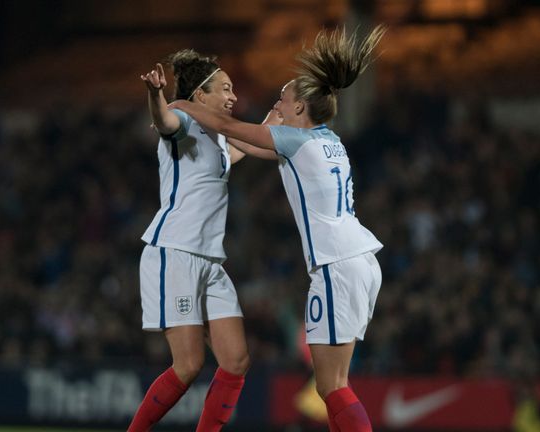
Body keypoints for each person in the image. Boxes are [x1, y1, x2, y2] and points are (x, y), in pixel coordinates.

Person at [169, 26, 386, 431]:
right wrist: (268, 122)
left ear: (301, 108)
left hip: (336, 266)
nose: (278, 102)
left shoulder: (295, 142)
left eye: (283, 98)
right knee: (332, 385)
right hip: (358, 262)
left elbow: (231, 129)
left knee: (332, 386)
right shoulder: (328, 141)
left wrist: (181, 104)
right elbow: (249, 146)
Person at [130, 49, 273, 432]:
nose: (233, 97)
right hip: (175, 253)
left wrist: (285, 115)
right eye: (225, 89)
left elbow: (261, 143)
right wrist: (155, 95)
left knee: (236, 360)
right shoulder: (186, 125)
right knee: (189, 365)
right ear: (200, 96)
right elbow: (163, 120)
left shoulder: (222, 142)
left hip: (211, 263)